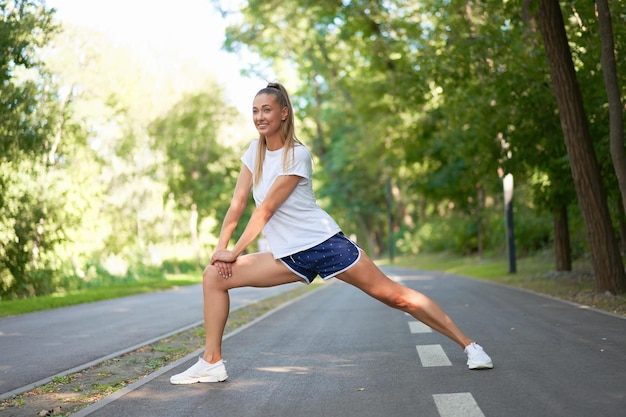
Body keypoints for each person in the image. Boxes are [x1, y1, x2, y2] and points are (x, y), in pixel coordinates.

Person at [170, 82, 493, 385]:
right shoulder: (253, 153)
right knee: (214, 276)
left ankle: (469, 345)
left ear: (283, 113)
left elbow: (265, 209)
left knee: (395, 296)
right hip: (288, 256)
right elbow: (238, 203)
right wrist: (221, 249)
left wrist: (236, 251)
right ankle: (212, 362)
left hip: (324, 244)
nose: (259, 117)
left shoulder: (297, 155)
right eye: (255, 110)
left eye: (266, 109)